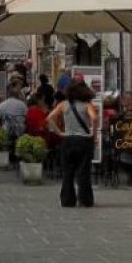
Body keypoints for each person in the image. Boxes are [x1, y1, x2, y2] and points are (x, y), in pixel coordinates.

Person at [46, 78, 98, 208]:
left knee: (68, 171)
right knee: (83, 171)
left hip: (68, 140)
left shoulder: (63, 105)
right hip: (83, 141)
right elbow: (95, 118)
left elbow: (49, 118)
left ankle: (67, 200)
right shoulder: (87, 105)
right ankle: (85, 200)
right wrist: (94, 134)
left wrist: (59, 132)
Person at [0, 82, 28, 165]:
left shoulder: (2, 105)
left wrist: (1, 125)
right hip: (19, 131)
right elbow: (26, 117)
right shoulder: (22, 105)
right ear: (17, 95)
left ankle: (8, 156)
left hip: (7, 130)